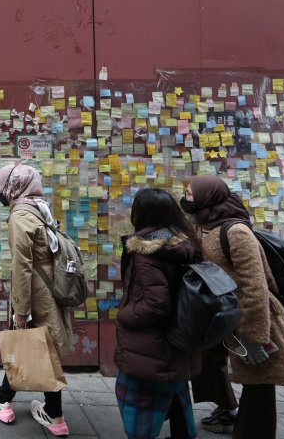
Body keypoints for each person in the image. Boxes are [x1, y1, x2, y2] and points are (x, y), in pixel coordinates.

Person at [182, 176, 284, 439]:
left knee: (259, 385)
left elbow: (255, 286)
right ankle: (228, 410)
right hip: (224, 315)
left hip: (252, 317)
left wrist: (254, 338)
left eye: (190, 194)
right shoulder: (203, 224)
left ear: (207, 196)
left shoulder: (236, 232)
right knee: (214, 367)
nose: (186, 199)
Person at [0, 163, 72, 437]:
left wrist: (21, 309)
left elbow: (22, 266)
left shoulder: (20, 216)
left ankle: (3, 399)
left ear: (13, 186)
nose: (0, 192)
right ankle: (50, 413)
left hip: (36, 294)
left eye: (2, 187)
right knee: (41, 345)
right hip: (49, 290)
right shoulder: (40, 207)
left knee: (29, 342)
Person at [115, 188, 202, 439]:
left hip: (150, 344)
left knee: (137, 404)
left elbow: (156, 303)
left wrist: (125, 316)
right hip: (178, 336)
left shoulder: (147, 250)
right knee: (174, 393)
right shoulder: (182, 241)